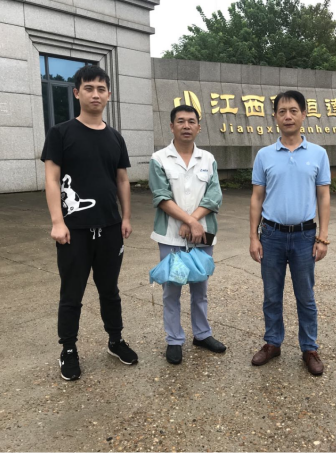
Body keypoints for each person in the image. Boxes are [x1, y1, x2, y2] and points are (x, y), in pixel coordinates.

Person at [41, 65, 138, 381]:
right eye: (89, 88)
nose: (95, 94)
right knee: (72, 293)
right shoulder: (61, 133)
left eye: (101, 89)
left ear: (108, 94)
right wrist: (58, 222)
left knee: (110, 290)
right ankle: (68, 349)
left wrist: (125, 217)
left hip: (110, 228)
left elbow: (122, 180)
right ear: (76, 93)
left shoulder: (115, 137)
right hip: (74, 231)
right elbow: (52, 179)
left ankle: (115, 340)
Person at [249, 90, 331, 376]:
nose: (288, 116)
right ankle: (273, 343)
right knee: (271, 294)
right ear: (275, 116)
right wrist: (253, 237)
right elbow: (257, 197)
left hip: (304, 236)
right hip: (271, 235)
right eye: (282, 111)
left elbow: (323, 197)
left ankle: (309, 348)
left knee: (305, 296)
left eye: (293, 110)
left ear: (304, 114)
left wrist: (322, 237)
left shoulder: (318, 154)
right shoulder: (264, 155)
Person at [148, 105, 226, 365]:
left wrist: (193, 222)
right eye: (180, 121)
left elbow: (214, 196)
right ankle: (174, 339)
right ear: (171, 126)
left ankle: (202, 334)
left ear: (199, 127)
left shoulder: (208, 159)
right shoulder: (159, 158)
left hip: (203, 234)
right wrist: (188, 220)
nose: (186, 126)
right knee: (172, 289)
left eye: (191, 121)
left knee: (200, 288)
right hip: (170, 235)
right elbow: (161, 196)